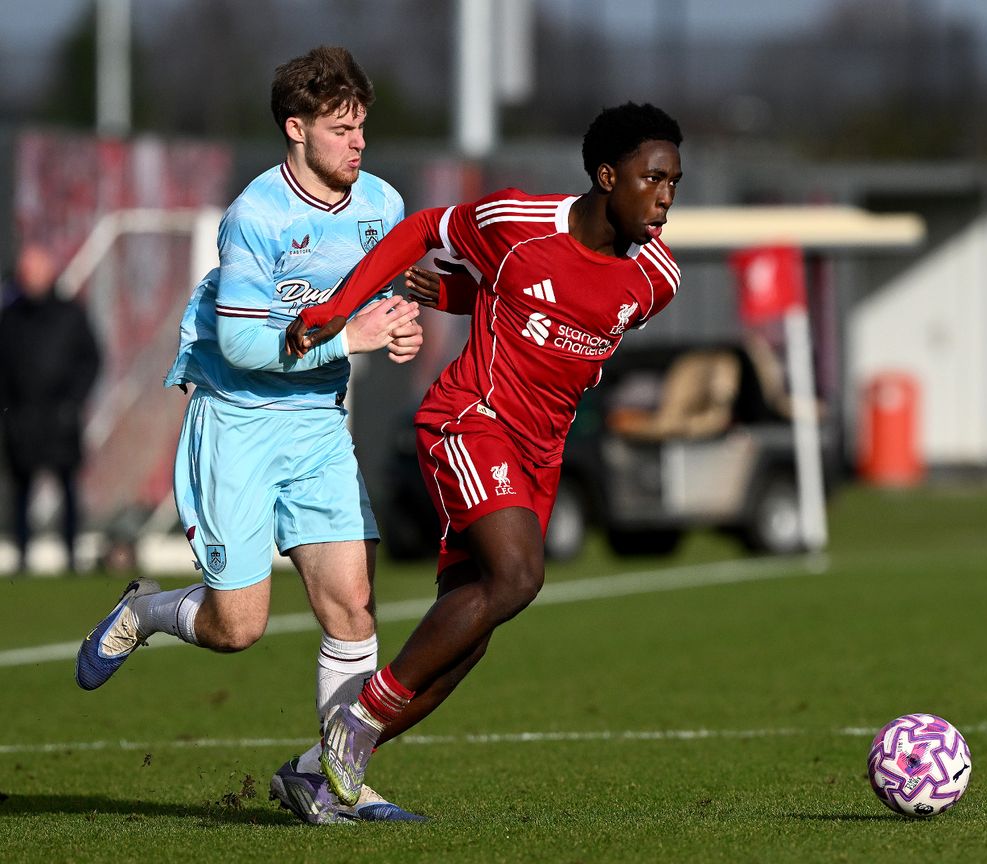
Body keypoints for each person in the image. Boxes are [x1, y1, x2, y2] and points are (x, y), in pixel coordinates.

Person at [286, 101, 683, 816]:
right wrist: (340, 308)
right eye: (652, 178)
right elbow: (421, 229)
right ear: (606, 176)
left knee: (467, 639)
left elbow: (540, 303)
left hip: (541, 454)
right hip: (472, 420)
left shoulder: (657, 279)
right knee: (519, 576)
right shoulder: (518, 222)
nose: (665, 197)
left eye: (674, 183)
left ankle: (313, 773)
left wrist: (458, 292)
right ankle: (359, 720)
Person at [74, 46, 434, 824]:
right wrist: (353, 338)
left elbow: (383, 298)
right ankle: (142, 613)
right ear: (295, 128)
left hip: (317, 425)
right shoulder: (256, 216)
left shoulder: (383, 202)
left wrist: (399, 327)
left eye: (362, 127)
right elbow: (240, 344)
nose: (358, 143)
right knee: (236, 628)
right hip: (236, 422)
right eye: (340, 129)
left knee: (353, 608)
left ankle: (333, 781)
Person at [0, 244, 101, 574]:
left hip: (61, 418)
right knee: (21, 490)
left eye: (35, 272)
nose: (30, 279)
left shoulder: (71, 314)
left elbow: (91, 360)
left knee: (68, 486)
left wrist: (73, 402)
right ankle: (22, 555)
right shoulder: (11, 317)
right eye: (25, 273)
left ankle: (72, 554)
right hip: (23, 418)